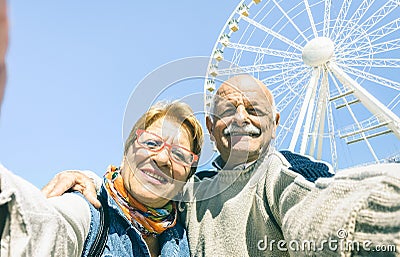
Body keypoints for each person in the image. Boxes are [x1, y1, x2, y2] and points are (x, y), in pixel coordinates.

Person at [45, 74, 400, 256]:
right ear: (213, 129)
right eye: (228, 110)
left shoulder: (285, 172)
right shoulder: (187, 195)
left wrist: (380, 219)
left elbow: (321, 206)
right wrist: (86, 179)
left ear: (275, 124)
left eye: (254, 110)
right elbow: (133, 190)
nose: (240, 118)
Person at [0, 100, 203, 256]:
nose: (162, 158)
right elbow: (42, 226)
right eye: (151, 143)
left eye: (179, 155)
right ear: (126, 156)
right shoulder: (89, 211)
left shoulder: (186, 239)